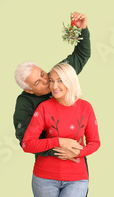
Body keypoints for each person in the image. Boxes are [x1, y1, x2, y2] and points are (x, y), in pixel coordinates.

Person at [12, 11, 92, 174]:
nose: (46, 81)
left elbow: (82, 54)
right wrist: (61, 149)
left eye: (42, 74)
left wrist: (81, 30)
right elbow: (26, 141)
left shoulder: (57, 74)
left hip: (77, 160)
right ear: (29, 90)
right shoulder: (24, 104)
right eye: (37, 83)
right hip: (48, 166)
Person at [22, 63, 102, 197]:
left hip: (77, 178)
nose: (54, 86)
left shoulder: (86, 107)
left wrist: (79, 152)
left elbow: (95, 142)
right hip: (44, 178)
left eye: (60, 81)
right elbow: (27, 144)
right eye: (52, 81)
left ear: (70, 81)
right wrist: (59, 141)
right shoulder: (44, 108)